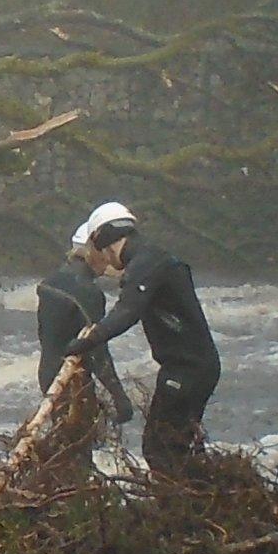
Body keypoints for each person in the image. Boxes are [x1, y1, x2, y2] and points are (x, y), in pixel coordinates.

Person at [63, 202, 220, 473]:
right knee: (180, 445)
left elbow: (126, 312)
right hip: (194, 366)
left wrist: (89, 340)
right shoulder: (153, 258)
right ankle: (200, 498)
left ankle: (184, 506)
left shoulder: (146, 264)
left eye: (99, 250)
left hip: (187, 369)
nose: (105, 260)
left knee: (159, 448)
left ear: (106, 241)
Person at [36, 222, 135, 424]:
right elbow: (96, 350)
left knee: (63, 444)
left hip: (47, 373)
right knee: (79, 450)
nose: (109, 260)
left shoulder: (50, 282)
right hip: (71, 380)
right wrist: (119, 397)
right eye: (105, 253)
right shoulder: (89, 293)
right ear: (93, 253)